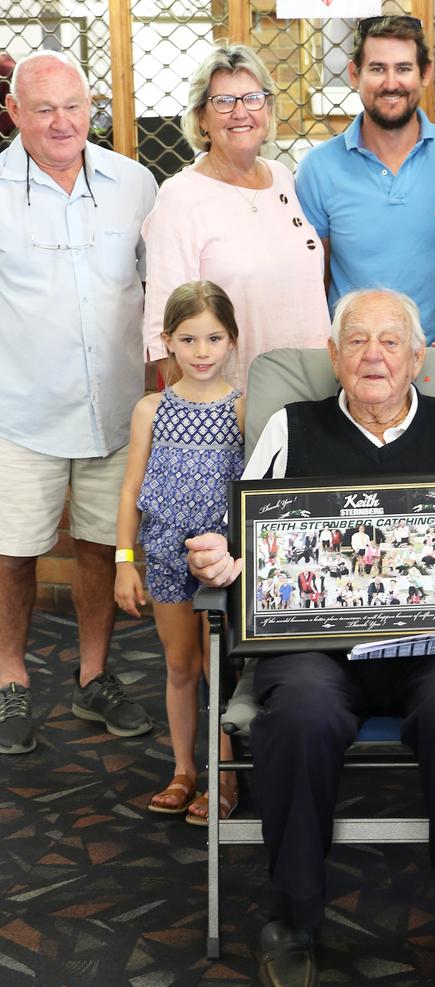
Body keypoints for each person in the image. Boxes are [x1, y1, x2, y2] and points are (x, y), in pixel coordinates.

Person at [187, 288, 435, 987]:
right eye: (356, 341)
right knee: (298, 714)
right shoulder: (292, 427)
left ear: (419, 356)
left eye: (391, 341)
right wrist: (223, 561)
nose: (373, 355)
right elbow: (241, 540)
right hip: (319, 650)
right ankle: (292, 915)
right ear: (333, 356)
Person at [0, 51, 157, 755]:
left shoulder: (135, 183)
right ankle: (10, 682)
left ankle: (94, 675)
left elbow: (158, 290)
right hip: (19, 412)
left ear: (90, 106)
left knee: (101, 546)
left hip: (117, 409)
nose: (62, 123)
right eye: (43, 109)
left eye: (73, 106)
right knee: (12, 554)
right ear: (14, 114)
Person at [114, 281, 244, 825]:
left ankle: (227, 775)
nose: (201, 352)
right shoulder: (151, 409)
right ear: (168, 341)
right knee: (181, 665)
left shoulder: (243, 408)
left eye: (213, 338)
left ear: (232, 340)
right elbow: (130, 488)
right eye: (188, 339)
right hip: (165, 557)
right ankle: (182, 770)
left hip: (220, 562)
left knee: (221, 669)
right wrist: (125, 561)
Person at [142, 44, 330, 393]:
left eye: (252, 98)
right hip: (236, 408)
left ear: (268, 109)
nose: (240, 112)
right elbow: (162, 335)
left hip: (314, 395)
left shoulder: (283, 178)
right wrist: (208, 418)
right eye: (224, 102)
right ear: (201, 117)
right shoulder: (180, 197)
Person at [295, 16, 435, 346]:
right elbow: (314, 275)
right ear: (354, 74)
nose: (391, 83)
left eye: (403, 68)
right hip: (353, 361)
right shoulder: (318, 168)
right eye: (377, 68)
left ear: (425, 73)